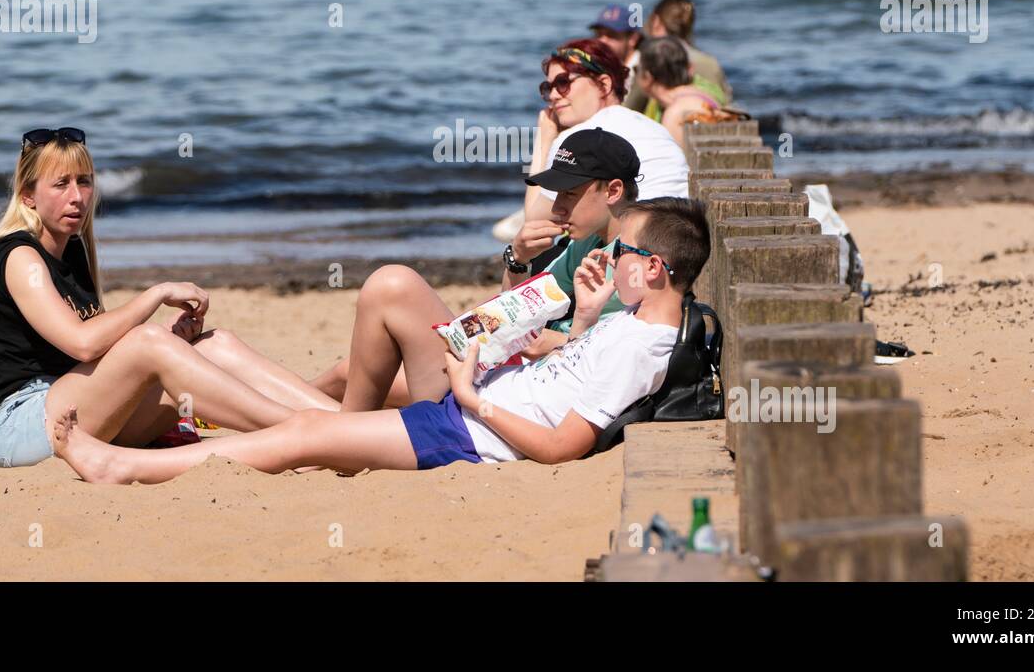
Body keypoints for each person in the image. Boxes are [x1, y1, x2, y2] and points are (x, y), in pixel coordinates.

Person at [49, 197, 711, 484]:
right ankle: (199, 405)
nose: (608, 254)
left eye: (621, 250)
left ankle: (123, 465)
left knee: (306, 434)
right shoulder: (636, 326)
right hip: (474, 404)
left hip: (468, 430)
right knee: (314, 421)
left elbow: (566, 446)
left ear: (652, 267)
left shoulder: (640, 346)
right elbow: (580, 378)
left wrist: (470, 398)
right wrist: (589, 316)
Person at [0, 128, 337, 468]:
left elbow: (100, 351)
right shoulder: (19, 257)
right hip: (17, 424)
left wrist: (177, 343)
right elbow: (84, 344)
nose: (77, 196)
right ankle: (304, 431)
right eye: (61, 184)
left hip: (76, 406)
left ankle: (342, 421)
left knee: (214, 345)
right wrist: (156, 294)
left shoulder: (70, 253)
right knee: (149, 340)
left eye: (84, 182)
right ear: (29, 196)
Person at [312, 127, 641, 402]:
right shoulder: (589, 242)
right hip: (511, 368)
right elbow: (511, 311)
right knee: (348, 372)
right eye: (557, 196)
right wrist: (518, 260)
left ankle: (313, 434)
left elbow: (621, 347)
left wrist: (552, 341)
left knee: (391, 290)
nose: (557, 210)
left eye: (568, 194)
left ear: (613, 190)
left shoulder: (632, 257)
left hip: (526, 385)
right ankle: (307, 431)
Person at [523, 38, 688, 224]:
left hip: (635, 241)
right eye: (548, 88)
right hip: (679, 232)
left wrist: (544, 140)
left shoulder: (575, 139)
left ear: (604, 85)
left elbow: (534, 224)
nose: (553, 96)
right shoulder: (655, 128)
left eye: (563, 83)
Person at [623, 0, 732, 119]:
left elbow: (629, 109)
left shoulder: (651, 58)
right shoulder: (709, 62)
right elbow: (726, 103)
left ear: (656, 22)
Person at [634, 37, 720, 148]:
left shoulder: (674, 116)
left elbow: (672, 162)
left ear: (647, 77)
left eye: (637, 69)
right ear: (689, 68)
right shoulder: (705, 96)